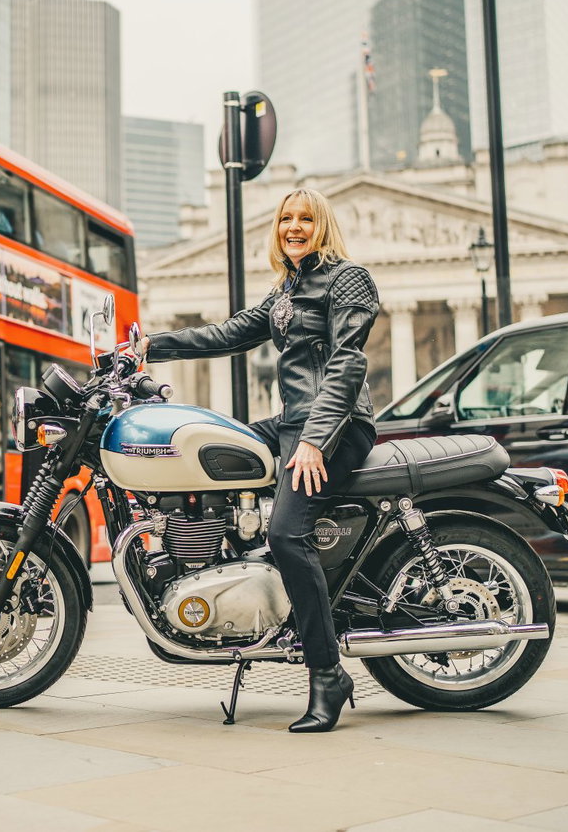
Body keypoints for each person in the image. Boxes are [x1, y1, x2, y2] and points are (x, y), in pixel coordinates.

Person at [136, 187, 379, 733]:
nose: (294, 226)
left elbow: (347, 363)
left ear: (323, 226)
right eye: (286, 218)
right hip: (294, 424)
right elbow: (226, 334)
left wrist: (316, 440)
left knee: (288, 534)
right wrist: (149, 346)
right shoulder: (286, 291)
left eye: (306, 218)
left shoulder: (348, 278)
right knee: (216, 448)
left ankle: (327, 673)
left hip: (336, 427)